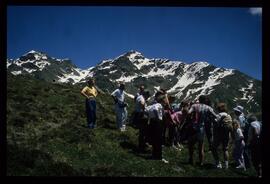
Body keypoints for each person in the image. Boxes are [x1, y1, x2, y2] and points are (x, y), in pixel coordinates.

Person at [187, 95, 218, 166]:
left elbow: (189, 113)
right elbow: (215, 116)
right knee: (201, 146)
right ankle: (201, 162)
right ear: (205, 100)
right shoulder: (208, 108)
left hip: (193, 127)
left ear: (199, 99)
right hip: (201, 128)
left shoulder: (194, 106)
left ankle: (191, 159)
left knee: (191, 144)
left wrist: (191, 119)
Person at [145, 92, 169, 164]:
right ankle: (159, 157)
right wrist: (158, 118)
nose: (165, 102)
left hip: (152, 122)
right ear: (162, 100)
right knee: (159, 140)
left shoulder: (153, 105)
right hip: (157, 123)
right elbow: (156, 110)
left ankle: (154, 155)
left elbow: (146, 110)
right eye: (164, 100)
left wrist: (150, 116)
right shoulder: (159, 105)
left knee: (155, 140)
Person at [212, 103, 233, 169]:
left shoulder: (219, 115)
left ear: (218, 109)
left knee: (214, 148)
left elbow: (215, 123)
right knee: (225, 149)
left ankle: (218, 163)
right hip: (227, 134)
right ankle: (226, 165)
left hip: (219, 134)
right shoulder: (228, 116)